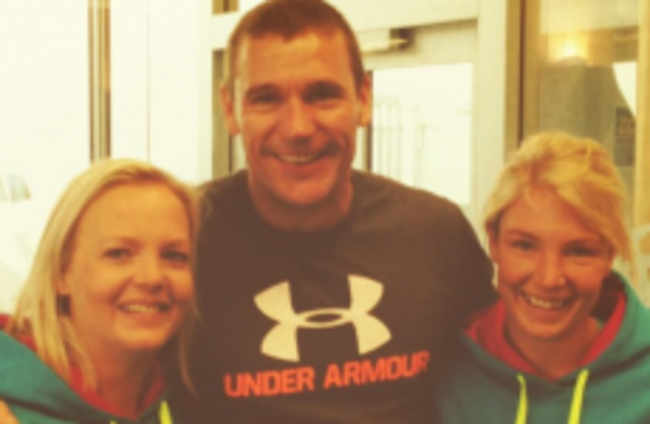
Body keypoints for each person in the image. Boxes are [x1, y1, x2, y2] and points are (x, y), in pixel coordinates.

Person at [178, 0, 494, 423]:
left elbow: (511, 380)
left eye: (322, 95)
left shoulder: (436, 235)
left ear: (363, 98)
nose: (298, 127)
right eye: (266, 99)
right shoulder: (180, 239)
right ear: (230, 109)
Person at [435, 132, 650, 423]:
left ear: (608, 256)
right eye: (524, 246)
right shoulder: (442, 370)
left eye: (579, 251)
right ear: (494, 241)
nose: (550, 278)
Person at [0, 159, 200, 423]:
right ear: (61, 272)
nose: (152, 278)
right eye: (119, 254)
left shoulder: (180, 403)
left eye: (174, 256)